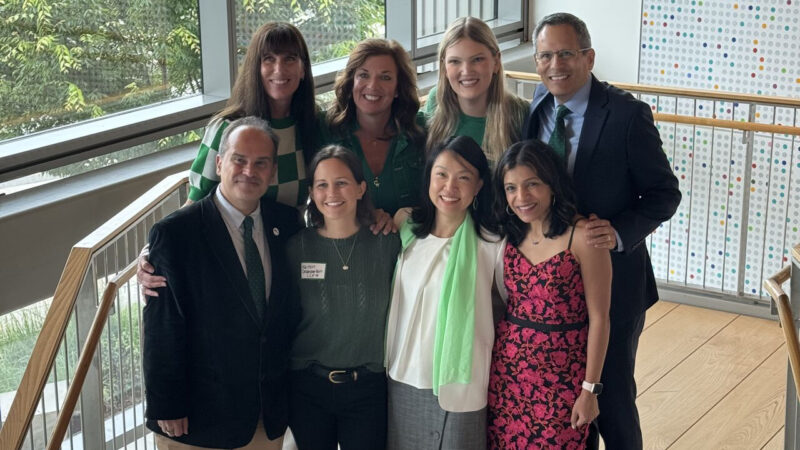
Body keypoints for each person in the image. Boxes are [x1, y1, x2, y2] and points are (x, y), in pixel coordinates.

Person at [522, 12, 682, 449]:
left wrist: (617, 234)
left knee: (612, 401)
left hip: (616, 286)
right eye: (545, 55)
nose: (555, 65)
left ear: (589, 57)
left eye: (566, 54)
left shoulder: (628, 115)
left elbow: (665, 194)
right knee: (572, 401)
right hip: (557, 290)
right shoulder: (538, 104)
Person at [142, 117, 301, 449]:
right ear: (219, 163)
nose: (249, 171)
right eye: (238, 160)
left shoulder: (287, 225)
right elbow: (162, 328)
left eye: (261, 163)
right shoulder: (175, 234)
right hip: (197, 420)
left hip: (265, 416)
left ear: (272, 172)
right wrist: (166, 404)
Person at [488, 140, 611, 449]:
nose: (521, 197)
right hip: (508, 374)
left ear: (552, 185)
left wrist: (590, 390)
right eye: (511, 188)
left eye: (533, 185)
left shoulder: (583, 236)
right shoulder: (509, 236)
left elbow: (599, 319)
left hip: (564, 375)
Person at [384, 135, 504, 449]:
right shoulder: (406, 227)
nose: (450, 187)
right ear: (429, 177)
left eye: (463, 178)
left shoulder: (493, 244)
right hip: (404, 374)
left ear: (478, 186)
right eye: (441, 174)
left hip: (460, 381)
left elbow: (509, 304)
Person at [286, 145, 400, 449]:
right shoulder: (295, 248)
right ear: (311, 191)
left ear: (361, 188)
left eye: (342, 182)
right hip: (308, 386)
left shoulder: (388, 243)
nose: (331, 192)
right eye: (322, 184)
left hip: (368, 386)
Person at [187, 21, 319, 209]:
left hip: (292, 237)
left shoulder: (313, 125)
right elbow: (195, 204)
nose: (279, 69)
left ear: (303, 69)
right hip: (230, 237)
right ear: (255, 68)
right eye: (269, 59)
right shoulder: (227, 127)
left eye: (289, 58)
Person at [325, 38, 426, 223]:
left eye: (385, 77)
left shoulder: (421, 131)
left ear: (398, 88)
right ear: (351, 81)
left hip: (412, 243)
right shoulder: (327, 132)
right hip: (350, 246)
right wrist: (364, 217)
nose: (372, 85)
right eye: (363, 75)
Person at [425, 16, 529, 162]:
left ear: (496, 62)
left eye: (477, 59)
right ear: (444, 68)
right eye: (455, 61)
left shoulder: (520, 113)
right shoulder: (436, 103)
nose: (466, 71)